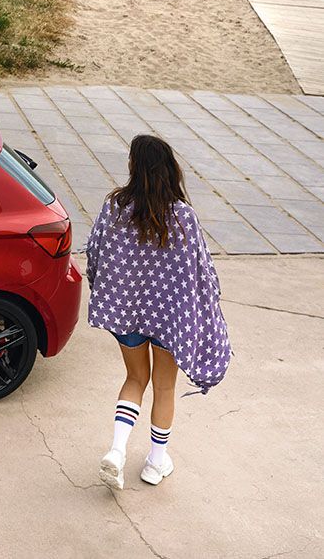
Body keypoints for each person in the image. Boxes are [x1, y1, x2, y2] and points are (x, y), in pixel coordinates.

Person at [86, 135, 231, 491]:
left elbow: (94, 251)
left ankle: (117, 451)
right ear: (169, 168)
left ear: (134, 167)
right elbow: (202, 270)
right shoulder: (183, 217)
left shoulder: (116, 207)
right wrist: (208, 307)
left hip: (127, 314)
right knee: (164, 387)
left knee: (135, 379)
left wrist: (106, 290)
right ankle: (155, 462)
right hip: (170, 320)